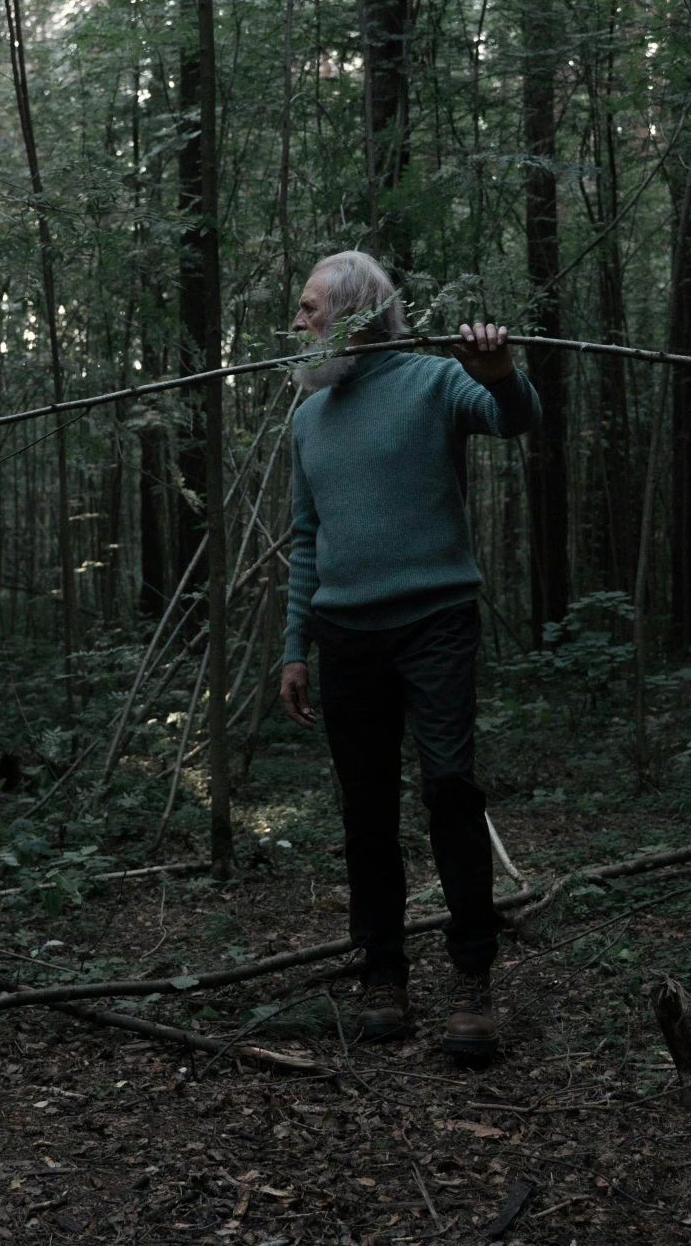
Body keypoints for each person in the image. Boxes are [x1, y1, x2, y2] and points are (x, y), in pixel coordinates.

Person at [277, 250, 539, 1058]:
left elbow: (512, 417)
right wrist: (295, 645)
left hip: (435, 621)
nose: (297, 322)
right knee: (366, 809)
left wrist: (499, 370)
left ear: (355, 311)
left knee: (450, 787)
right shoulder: (306, 419)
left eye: (311, 306)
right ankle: (382, 977)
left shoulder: (431, 383)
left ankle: (471, 979)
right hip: (345, 634)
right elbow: (306, 539)